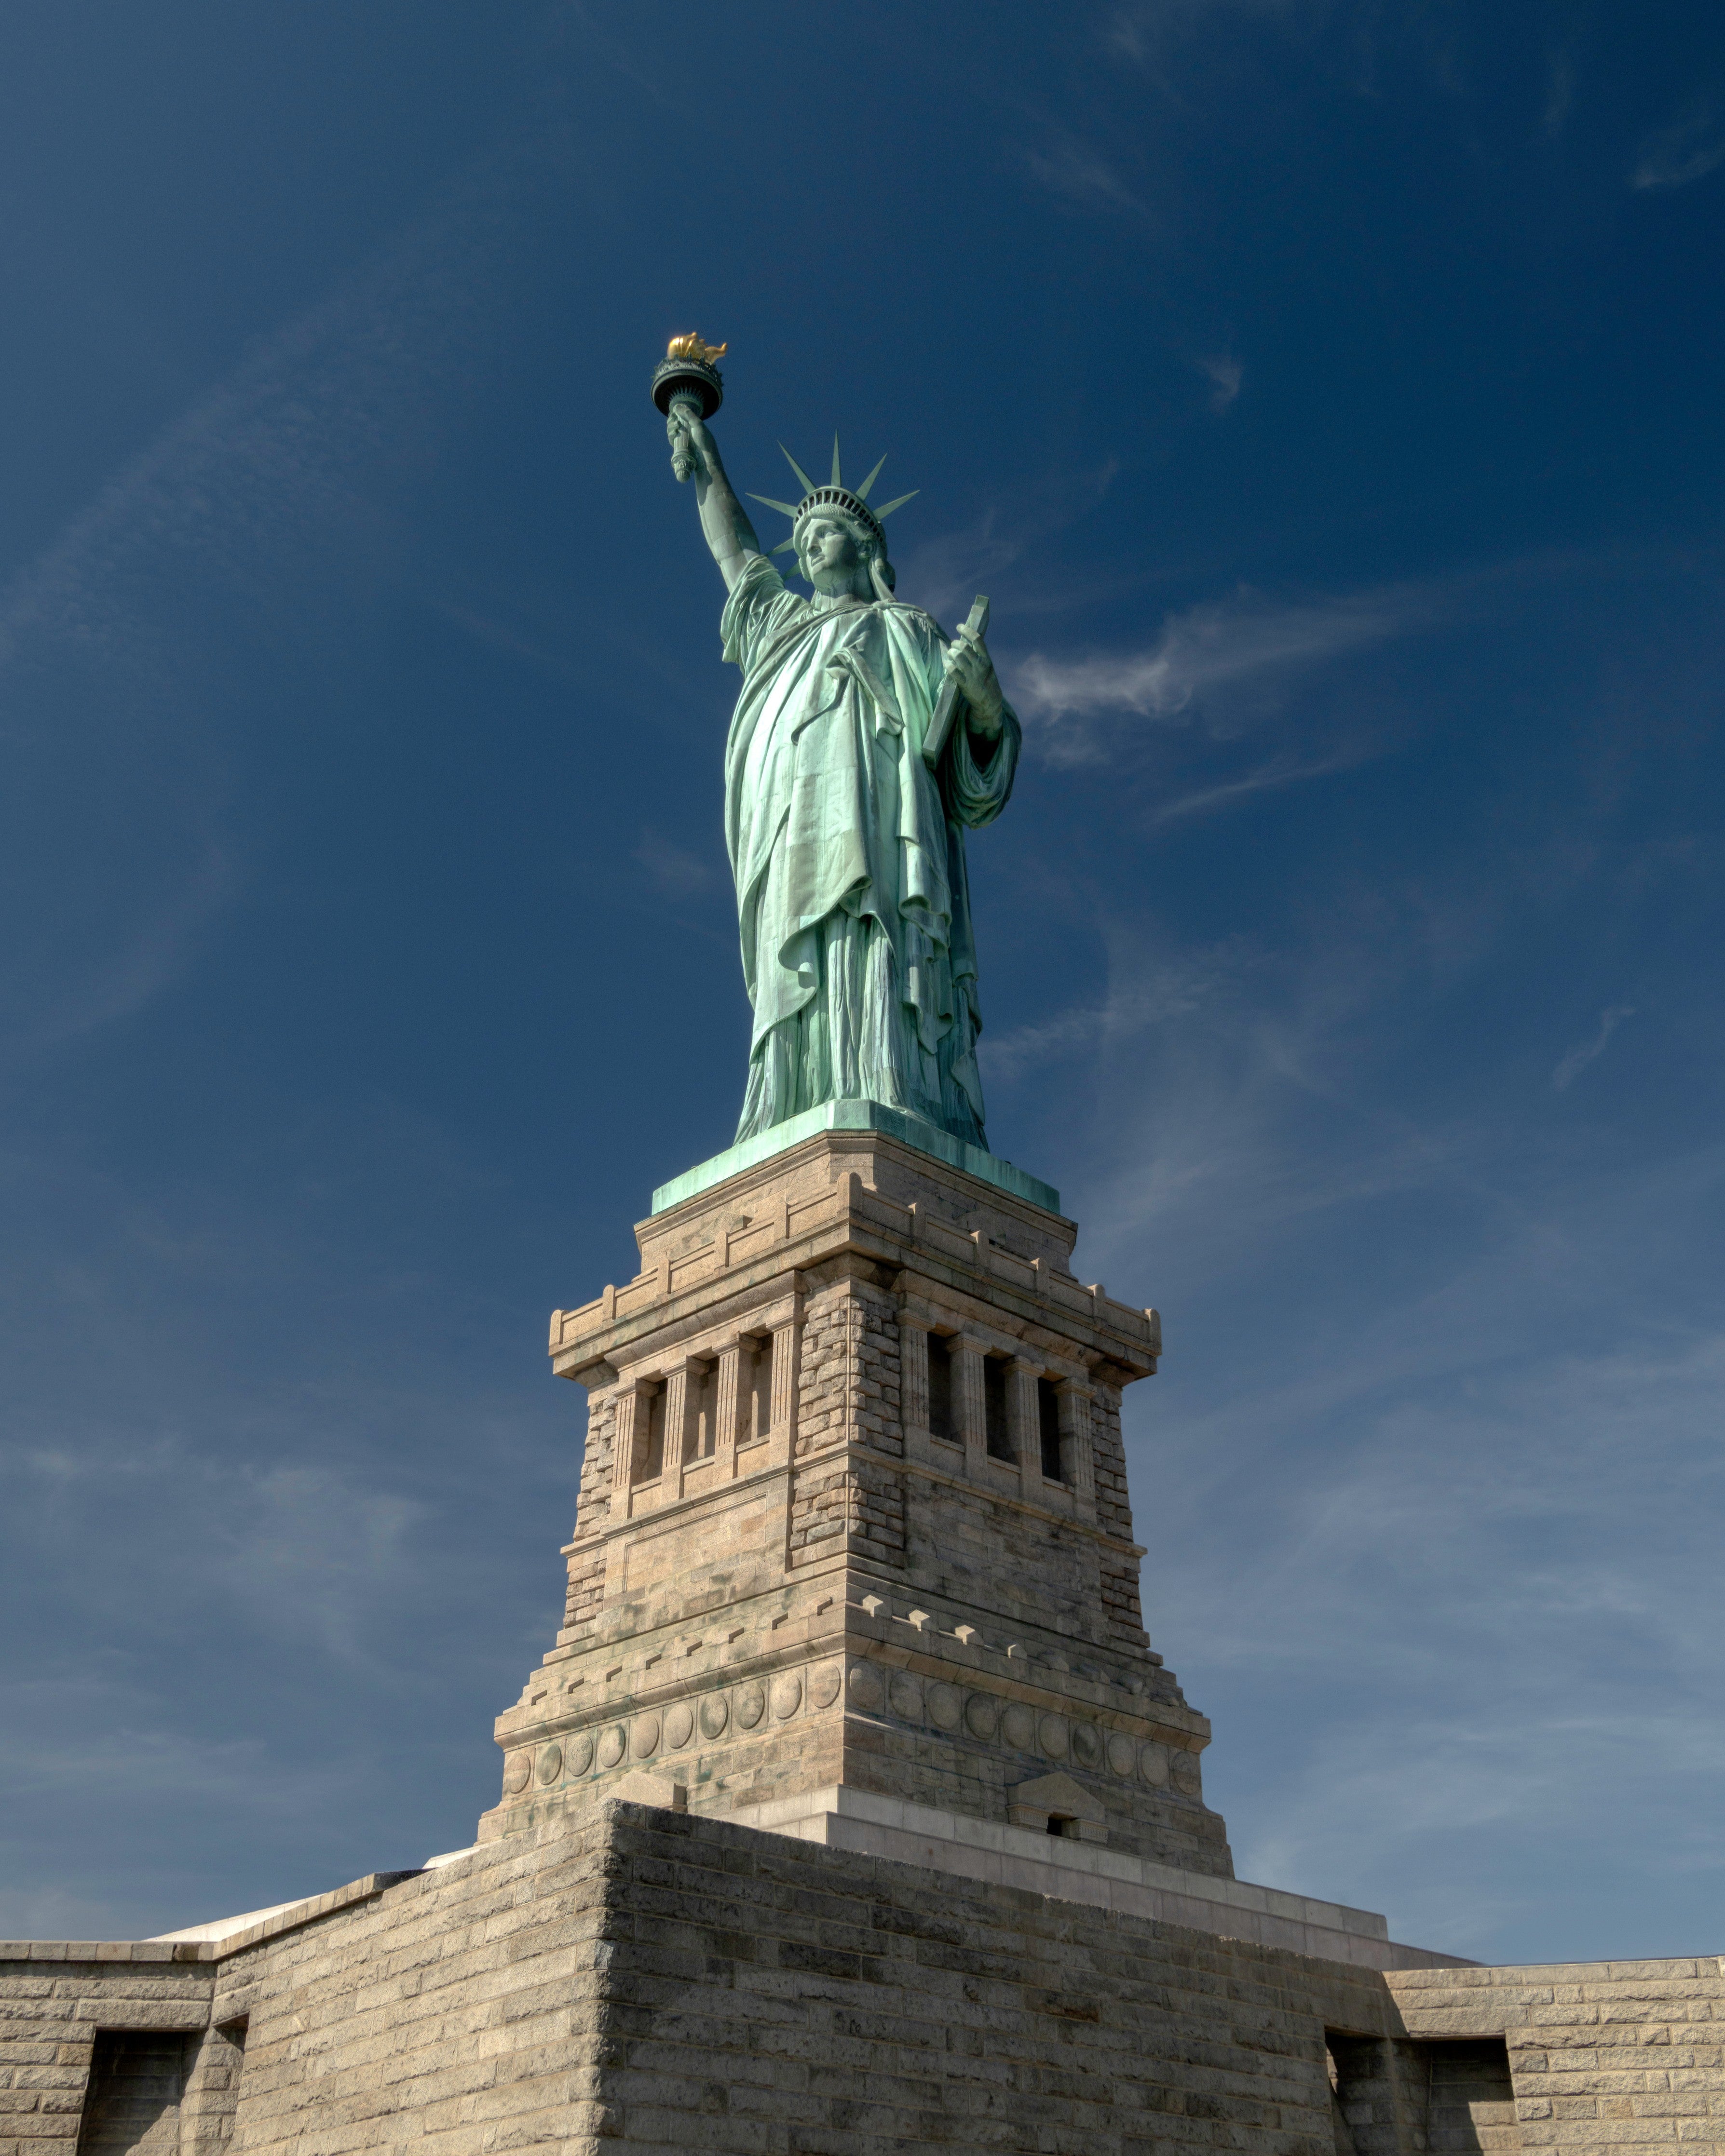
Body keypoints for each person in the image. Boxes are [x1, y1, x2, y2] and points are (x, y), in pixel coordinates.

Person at [667, 400, 1020, 1150]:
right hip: (792, 820)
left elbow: (971, 778)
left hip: (887, 819)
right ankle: (793, 1097)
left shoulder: (909, 629)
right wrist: (707, 462)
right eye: (800, 540)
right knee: (801, 941)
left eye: (822, 532)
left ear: (864, 546)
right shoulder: (780, 627)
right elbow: (736, 556)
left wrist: (986, 702)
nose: (808, 547)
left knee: (879, 930)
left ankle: (892, 1083)